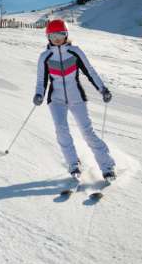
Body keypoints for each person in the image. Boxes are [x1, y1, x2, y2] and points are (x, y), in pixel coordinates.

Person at [34, 19, 115, 182]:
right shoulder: (45, 57)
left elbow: (90, 71)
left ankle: (107, 167)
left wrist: (102, 88)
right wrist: (39, 94)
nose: (57, 38)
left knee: (87, 132)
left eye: (61, 34)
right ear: (48, 37)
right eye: (53, 35)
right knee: (61, 130)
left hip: (76, 97)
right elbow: (41, 80)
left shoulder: (75, 51)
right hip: (56, 99)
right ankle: (73, 164)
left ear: (66, 35)